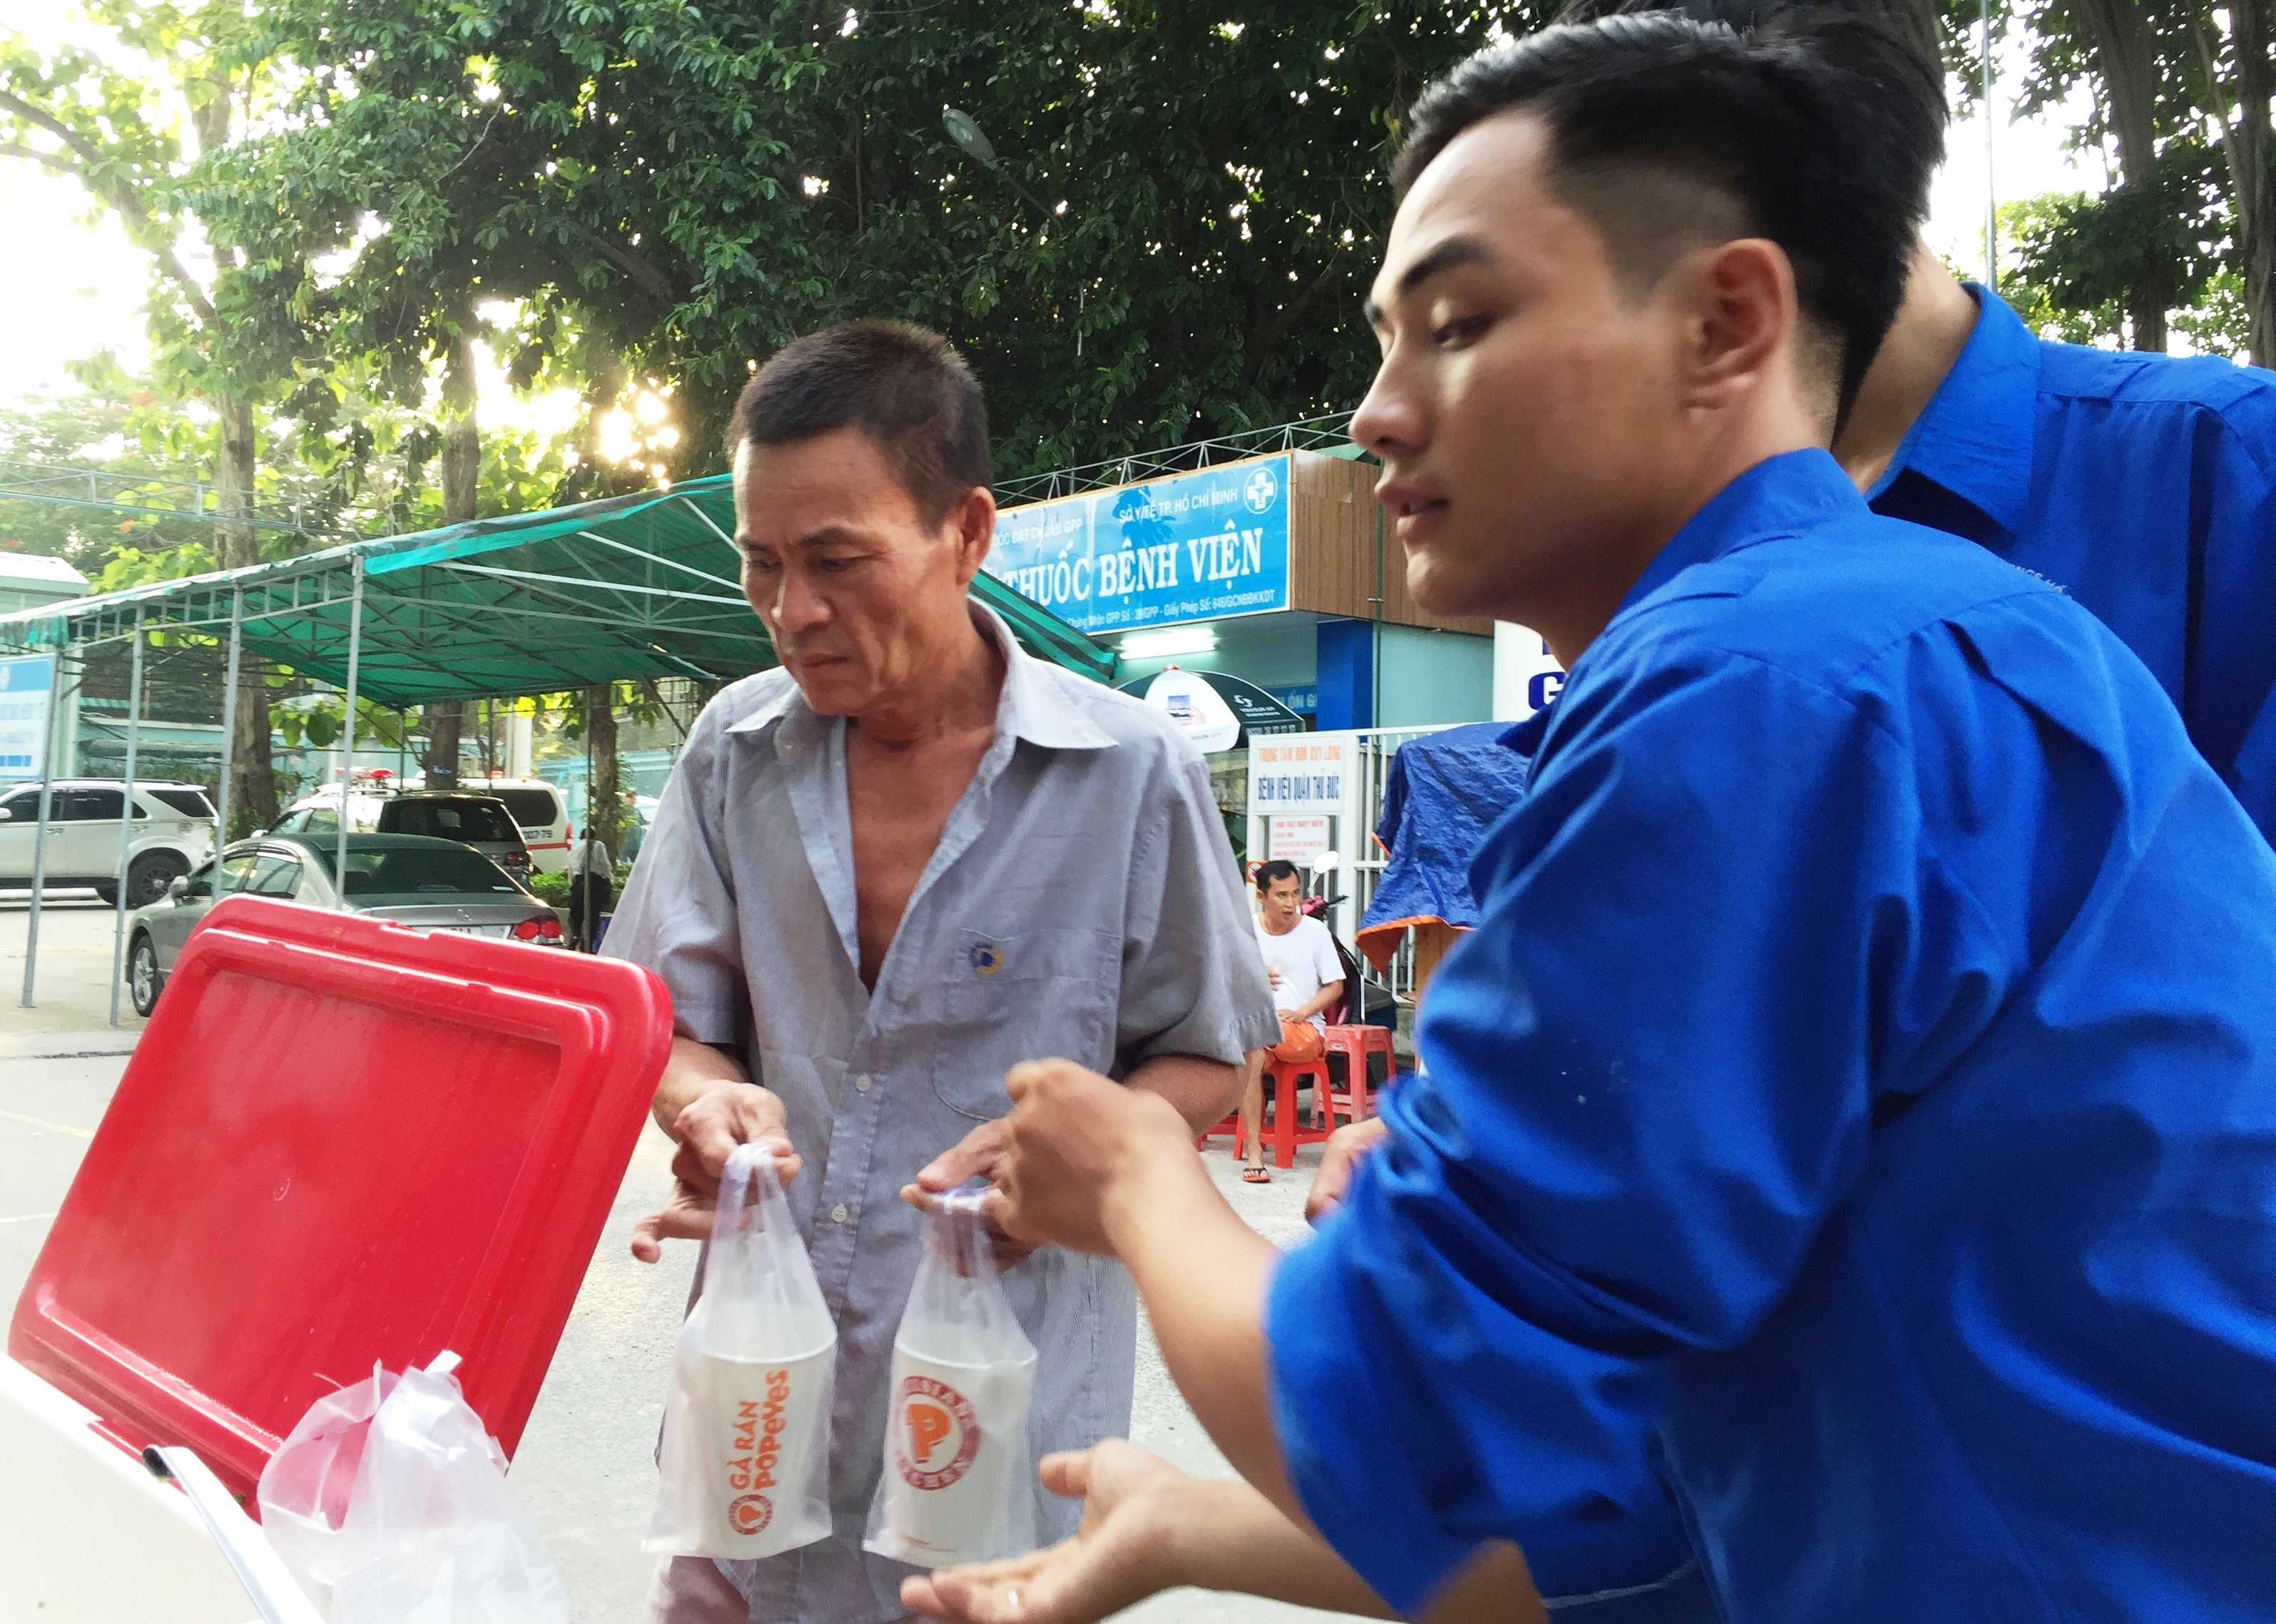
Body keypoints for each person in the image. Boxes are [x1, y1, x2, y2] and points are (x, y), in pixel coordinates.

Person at [898, 16, 2276, 1624]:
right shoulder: (1938, 632)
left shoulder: (1756, 687)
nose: (1375, 412)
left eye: (1458, 324)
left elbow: (1411, 1429)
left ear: (1723, 321)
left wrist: (1139, 1177)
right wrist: (1189, 1519)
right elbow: (1648, 1505)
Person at [602, 320, 1278, 1624]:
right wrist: (702, 1104)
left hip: (994, 1448)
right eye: (763, 566)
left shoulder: (1131, 776)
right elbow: (670, 1027)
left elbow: (1213, 1055)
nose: (796, 611)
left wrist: (1069, 1169)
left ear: (968, 531)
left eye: (839, 562)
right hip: (752, 1435)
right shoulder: (729, 754)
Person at [1234, 860, 1346, 1183]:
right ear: (1261, 896)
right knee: (1250, 1058)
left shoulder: (1315, 931)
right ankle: (1255, 1152)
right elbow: (1226, 981)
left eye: (1295, 894)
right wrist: (1251, 977)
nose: (1291, 903)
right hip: (1261, 1033)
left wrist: (1302, 1012)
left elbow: (1335, 985)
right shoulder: (1247, 931)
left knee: (1255, 1037)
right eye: (1281, 895)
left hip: (1305, 1032)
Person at [566, 823, 613, 951]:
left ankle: (575, 935)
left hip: (578, 883)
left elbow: (571, 873)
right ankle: (587, 946)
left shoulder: (575, 849)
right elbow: (604, 866)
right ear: (594, 836)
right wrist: (610, 880)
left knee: (576, 914)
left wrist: (574, 887)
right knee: (592, 916)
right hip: (594, 883)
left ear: (581, 837)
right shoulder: (598, 846)